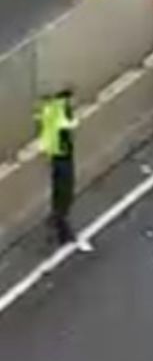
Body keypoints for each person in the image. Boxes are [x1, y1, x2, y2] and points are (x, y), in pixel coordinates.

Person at [36, 88, 92, 252]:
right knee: (65, 190)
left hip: (58, 154)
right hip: (60, 155)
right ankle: (61, 226)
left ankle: (59, 222)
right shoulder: (58, 111)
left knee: (60, 190)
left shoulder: (51, 110)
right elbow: (67, 124)